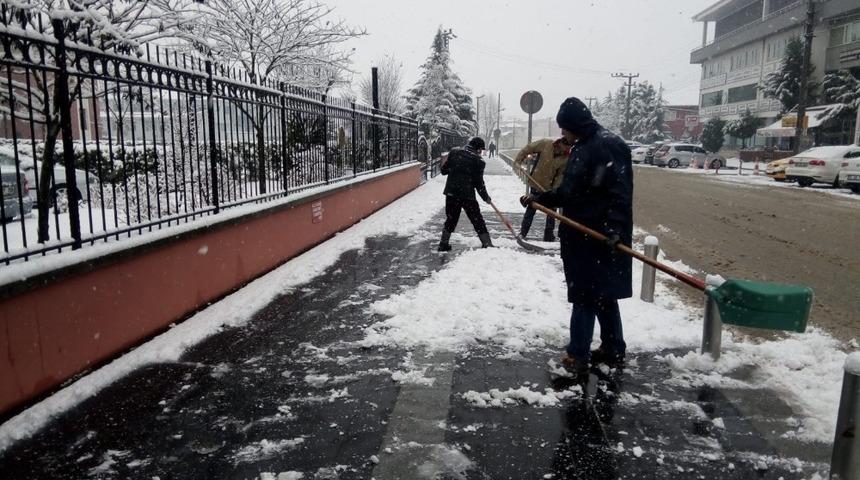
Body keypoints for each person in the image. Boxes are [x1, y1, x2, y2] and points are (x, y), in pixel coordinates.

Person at [521, 97, 633, 374]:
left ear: (575, 125)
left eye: (564, 128)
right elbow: (571, 191)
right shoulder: (583, 146)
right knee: (602, 294)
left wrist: (615, 229)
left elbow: (620, 192)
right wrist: (541, 198)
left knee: (586, 294)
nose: (562, 134)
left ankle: (577, 353)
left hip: (597, 236)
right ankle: (613, 347)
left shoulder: (607, 145)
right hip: (580, 231)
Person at [438, 137, 493, 251]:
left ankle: (443, 243)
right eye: (481, 150)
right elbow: (479, 184)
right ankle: (487, 243)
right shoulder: (478, 162)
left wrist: (453, 166)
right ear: (478, 149)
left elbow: (443, 171)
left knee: (451, 219)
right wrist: (486, 198)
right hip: (467, 196)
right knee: (477, 219)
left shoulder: (454, 152)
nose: (481, 152)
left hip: (452, 193)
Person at [513, 137, 571, 241]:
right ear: (560, 143)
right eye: (566, 146)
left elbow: (559, 177)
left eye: (569, 147)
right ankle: (523, 233)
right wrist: (518, 161)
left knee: (551, 212)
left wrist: (554, 192)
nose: (566, 149)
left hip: (549, 188)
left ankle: (548, 236)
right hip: (536, 182)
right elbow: (527, 149)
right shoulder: (545, 144)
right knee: (531, 208)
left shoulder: (565, 158)